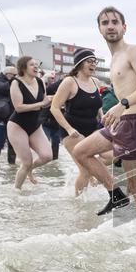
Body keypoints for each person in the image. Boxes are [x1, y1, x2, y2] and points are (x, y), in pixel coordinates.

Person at [71, 7, 136, 222]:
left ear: (124, 27)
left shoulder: (133, 51)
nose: (110, 26)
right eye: (105, 22)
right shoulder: (114, 58)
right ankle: (115, 195)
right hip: (122, 122)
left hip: (135, 122)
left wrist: (122, 104)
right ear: (99, 29)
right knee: (81, 151)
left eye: (115, 22)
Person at [50, 48, 107, 195]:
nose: (93, 64)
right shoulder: (69, 82)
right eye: (90, 61)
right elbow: (54, 108)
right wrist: (68, 129)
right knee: (86, 170)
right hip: (73, 131)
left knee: (113, 155)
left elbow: (97, 104)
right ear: (80, 64)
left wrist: (103, 116)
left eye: (95, 62)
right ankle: (79, 204)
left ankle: (92, 181)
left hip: (92, 128)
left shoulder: (95, 81)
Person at [7, 56, 54, 189]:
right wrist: (41, 103)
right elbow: (19, 108)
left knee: (47, 156)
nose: (36, 67)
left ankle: (29, 170)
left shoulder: (40, 81)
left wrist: (51, 101)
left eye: (37, 65)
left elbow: (44, 103)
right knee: (26, 162)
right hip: (17, 125)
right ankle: (16, 191)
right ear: (23, 68)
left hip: (35, 124)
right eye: (32, 65)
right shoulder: (16, 82)